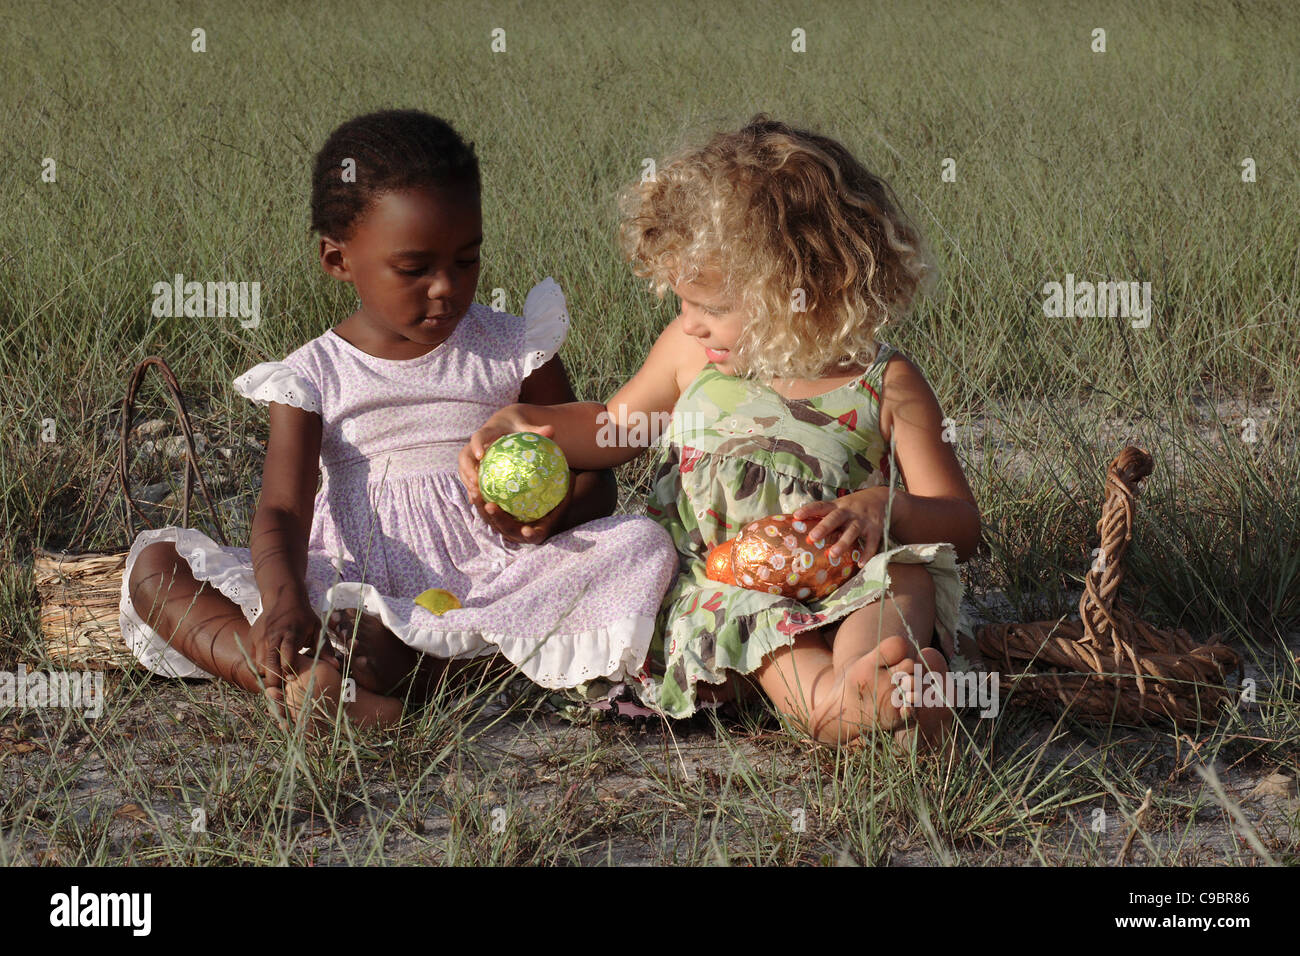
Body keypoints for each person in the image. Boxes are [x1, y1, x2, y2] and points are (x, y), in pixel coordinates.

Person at [120, 109, 677, 730]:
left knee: (640, 543)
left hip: (503, 576)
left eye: (466, 261)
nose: (446, 287)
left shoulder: (517, 348)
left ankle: (416, 674)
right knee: (156, 567)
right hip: (356, 581)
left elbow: (593, 477)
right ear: (337, 259)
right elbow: (281, 508)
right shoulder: (312, 374)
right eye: (415, 270)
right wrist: (283, 603)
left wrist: (555, 515)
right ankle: (288, 672)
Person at [462, 115, 981, 749]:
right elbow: (612, 430)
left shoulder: (886, 381)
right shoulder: (688, 353)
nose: (692, 323)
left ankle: (877, 683)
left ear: (806, 284)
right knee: (752, 616)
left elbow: (960, 522)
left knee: (904, 578)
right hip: (718, 584)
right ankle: (836, 707)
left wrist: (885, 506)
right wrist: (528, 422)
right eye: (683, 302)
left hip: (841, 574)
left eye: (712, 307)